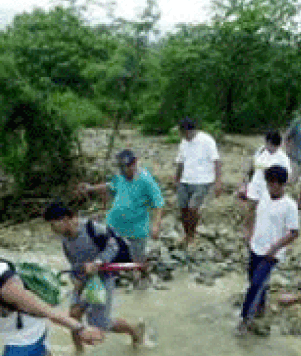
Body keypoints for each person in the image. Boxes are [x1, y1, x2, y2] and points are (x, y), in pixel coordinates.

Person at [43, 201, 146, 353]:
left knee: (101, 325)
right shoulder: (65, 239)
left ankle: (134, 329)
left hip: (104, 277)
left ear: (65, 219)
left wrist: (97, 263)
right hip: (84, 279)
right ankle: (79, 353)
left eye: (53, 224)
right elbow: (74, 263)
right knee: (74, 315)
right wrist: (76, 280)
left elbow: (113, 247)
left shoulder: (93, 228)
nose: (52, 229)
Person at [77, 149, 165, 286]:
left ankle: (144, 281)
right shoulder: (120, 177)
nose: (124, 171)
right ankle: (110, 281)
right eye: (122, 167)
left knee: (138, 262)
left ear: (134, 163)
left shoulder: (146, 181)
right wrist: (90, 188)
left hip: (136, 230)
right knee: (108, 255)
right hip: (114, 226)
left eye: (127, 167)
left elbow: (158, 204)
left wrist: (155, 226)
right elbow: (109, 186)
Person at [236, 165, 299, 336]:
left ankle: (244, 319)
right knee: (253, 280)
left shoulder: (289, 205)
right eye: (269, 183)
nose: (272, 187)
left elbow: (294, 233)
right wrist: (248, 231)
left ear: (283, 184)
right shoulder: (264, 197)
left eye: (275, 184)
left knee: (256, 284)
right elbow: (254, 213)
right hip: (256, 246)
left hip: (272, 253)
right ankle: (261, 306)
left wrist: (275, 248)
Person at [174, 118, 222, 247]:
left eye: (182, 132)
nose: (181, 135)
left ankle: (192, 235)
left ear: (189, 131)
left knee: (193, 208)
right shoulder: (183, 142)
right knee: (183, 208)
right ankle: (186, 233)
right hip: (185, 180)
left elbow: (216, 161)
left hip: (203, 180)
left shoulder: (207, 140)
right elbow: (180, 161)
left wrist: (218, 182)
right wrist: (176, 178)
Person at [238, 130, 291, 200]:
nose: (269, 147)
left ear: (278, 145)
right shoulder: (261, 151)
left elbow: (285, 179)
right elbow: (251, 169)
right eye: (268, 144)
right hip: (254, 188)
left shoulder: (283, 159)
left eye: (272, 145)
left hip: (268, 192)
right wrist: (244, 185)